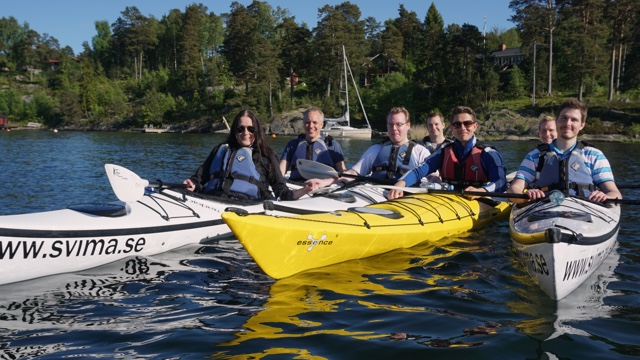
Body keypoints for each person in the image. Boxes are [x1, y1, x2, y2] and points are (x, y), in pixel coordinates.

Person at [183, 109, 316, 200]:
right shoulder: (221, 150)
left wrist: (303, 191)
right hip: (210, 200)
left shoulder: (266, 156)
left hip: (246, 205)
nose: (245, 133)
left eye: (250, 129)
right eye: (240, 129)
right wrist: (192, 183)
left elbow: (281, 190)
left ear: (257, 130)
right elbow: (199, 177)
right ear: (235, 131)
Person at [508, 98, 622, 204]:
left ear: (582, 125)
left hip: (585, 211)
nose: (568, 123)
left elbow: (614, 193)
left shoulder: (594, 155)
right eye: (564, 118)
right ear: (557, 121)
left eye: (574, 120)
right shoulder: (535, 156)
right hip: (543, 210)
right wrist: (527, 195)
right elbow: (514, 189)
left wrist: (606, 197)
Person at [387, 105, 508, 200]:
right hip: (447, 198)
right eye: (457, 124)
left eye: (467, 123)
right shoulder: (444, 152)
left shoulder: (488, 153)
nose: (462, 128)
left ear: (475, 126)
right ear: (451, 128)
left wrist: (483, 191)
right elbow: (420, 170)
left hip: (478, 200)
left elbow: (501, 182)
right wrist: (401, 184)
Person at [307, 107, 431, 188]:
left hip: (406, 196)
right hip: (375, 194)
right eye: (390, 125)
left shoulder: (420, 152)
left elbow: (434, 177)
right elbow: (353, 173)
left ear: (408, 125)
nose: (394, 129)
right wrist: (323, 182)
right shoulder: (376, 150)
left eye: (399, 125)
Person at [279, 106, 346, 181]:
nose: (311, 126)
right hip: (296, 186)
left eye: (315, 122)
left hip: (324, 188)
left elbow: (342, 173)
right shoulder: (292, 145)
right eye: (307, 122)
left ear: (321, 125)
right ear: (303, 124)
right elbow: (280, 172)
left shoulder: (331, 145)